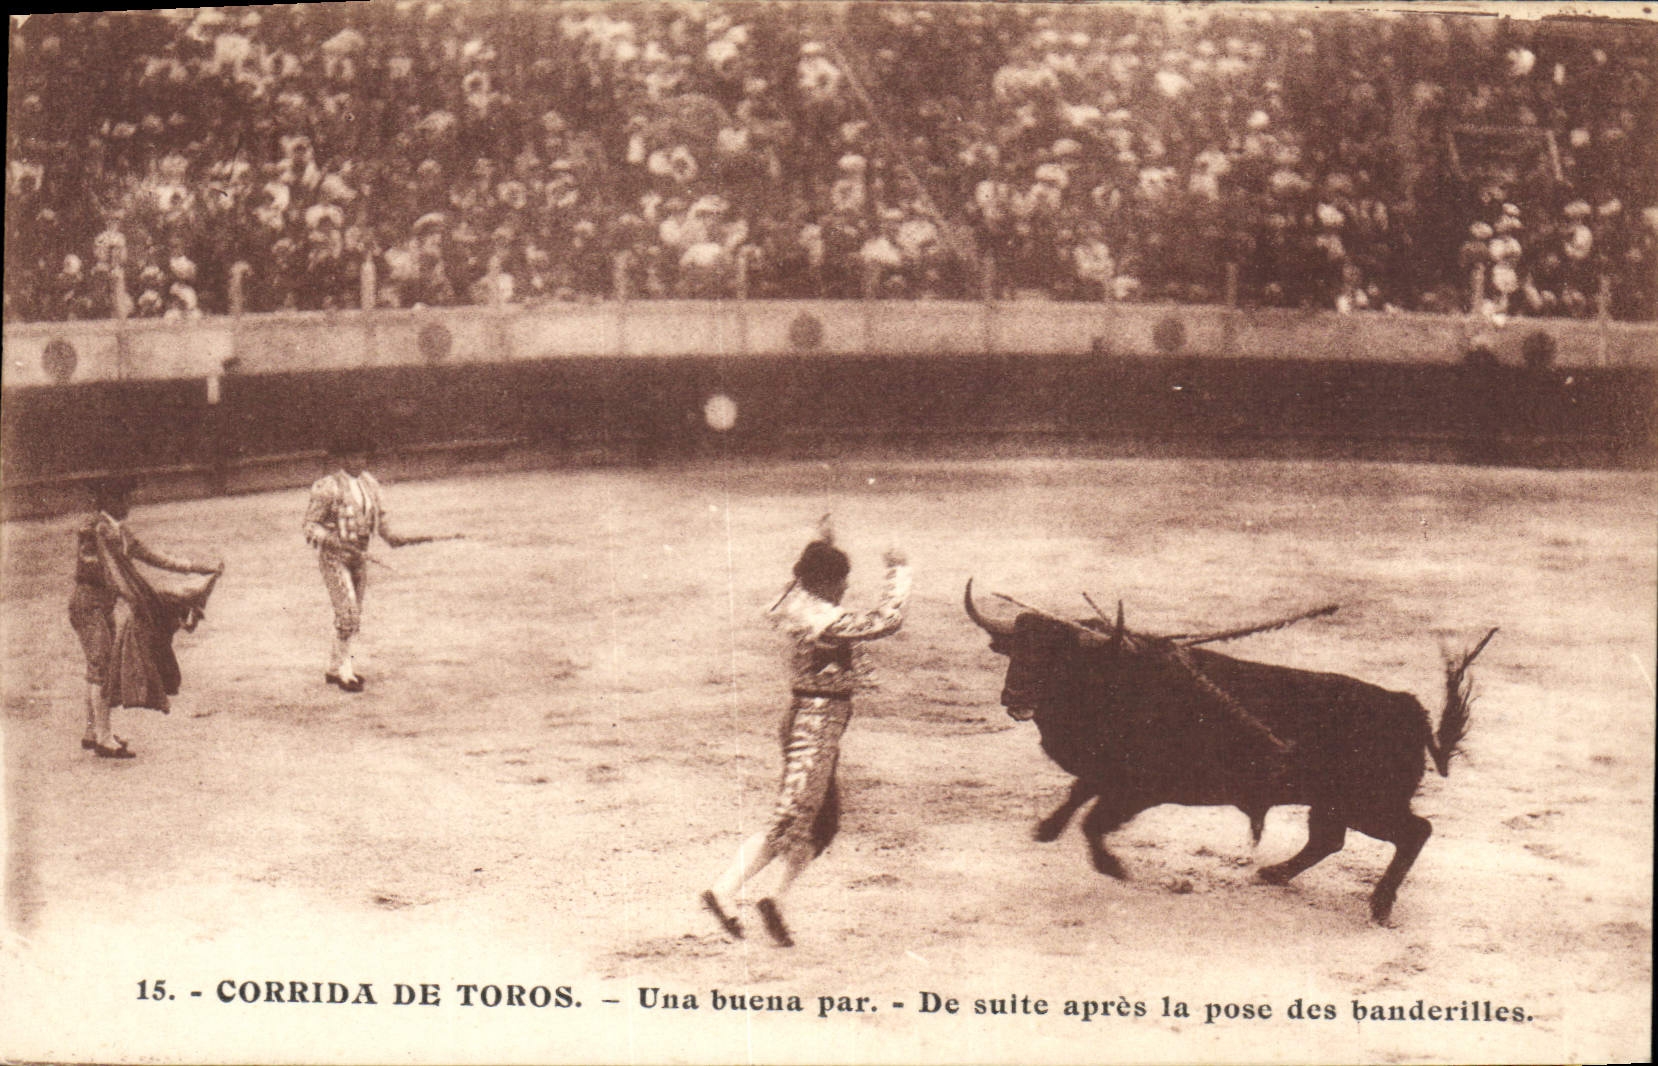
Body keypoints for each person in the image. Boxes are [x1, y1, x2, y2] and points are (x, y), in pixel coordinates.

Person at [703, 518, 911, 946]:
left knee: (823, 823)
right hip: (814, 726)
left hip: (811, 720)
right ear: (826, 583)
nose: (846, 588)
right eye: (841, 581)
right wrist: (898, 570)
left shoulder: (793, 601)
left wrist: (823, 542)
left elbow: (802, 580)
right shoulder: (826, 620)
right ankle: (723, 891)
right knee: (790, 820)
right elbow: (886, 621)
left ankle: (774, 900)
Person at [69, 475, 223, 759]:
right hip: (88, 606)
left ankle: (94, 732)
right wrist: (135, 596)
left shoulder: (117, 532)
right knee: (101, 667)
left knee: (99, 667)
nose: (129, 503)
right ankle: (103, 737)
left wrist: (197, 567)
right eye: (123, 498)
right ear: (108, 500)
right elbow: (105, 573)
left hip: (101, 606)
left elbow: (155, 557)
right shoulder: (93, 530)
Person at [302, 437, 438, 691]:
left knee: (353, 614)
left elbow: (381, 520)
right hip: (335, 558)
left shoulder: (370, 483)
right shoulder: (327, 487)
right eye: (353, 456)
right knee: (348, 613)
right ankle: (345, 672)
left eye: (362, 456)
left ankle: (335, 667)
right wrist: (331, 540)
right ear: (342, 459)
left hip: (359, 557)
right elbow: (310, 525)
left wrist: (393, 537)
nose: (359, 461)